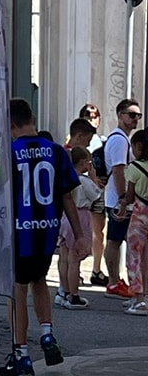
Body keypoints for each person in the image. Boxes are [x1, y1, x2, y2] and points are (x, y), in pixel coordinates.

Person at [0, 98, 81, 376]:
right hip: (46, 229)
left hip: (19, 231)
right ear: (32, 119)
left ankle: (20, 350)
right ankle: (47, 332)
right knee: (40, 280)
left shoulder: (8, 153)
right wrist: (78, 234)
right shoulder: (56, 151)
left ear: (10, 125)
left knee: (17, 289)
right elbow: (67, 196)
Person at [55, 146, 101, 310]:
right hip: (80, 217)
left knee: (65, 257)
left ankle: (64, 291)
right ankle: (74, 295)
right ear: (83, 163)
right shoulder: (84, 181)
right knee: (75, 260)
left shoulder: (66, 178)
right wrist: (94, 179)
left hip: (66, 217)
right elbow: (96, 194)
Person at [103, 99, 140, 299]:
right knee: (116, 240)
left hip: (117, 199)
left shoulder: (121, 138)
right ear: (120, 115)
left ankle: (116, 281)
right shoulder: (120, 140)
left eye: (138, 116)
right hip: (119, 199)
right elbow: (118, 170)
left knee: (118, 240)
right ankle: (113, 282)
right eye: (131, 115)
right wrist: (123, 199)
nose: (135, 119)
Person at [114, 128, 148, 314]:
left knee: (134, 256)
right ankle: (147, 296)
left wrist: (122, 204)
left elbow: (130, 195)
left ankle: (138, 298)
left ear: (139, 147)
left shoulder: (135, 167)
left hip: (140, 215)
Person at [81, 103, 109, 286]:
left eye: (95, 116)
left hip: (98, 190)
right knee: (81, 230)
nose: (92, 119)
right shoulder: (77, 139)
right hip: (83, 190)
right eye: (88, 116)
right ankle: (76, 267)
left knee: (99, 233)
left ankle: (96, 269)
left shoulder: (102, 141)